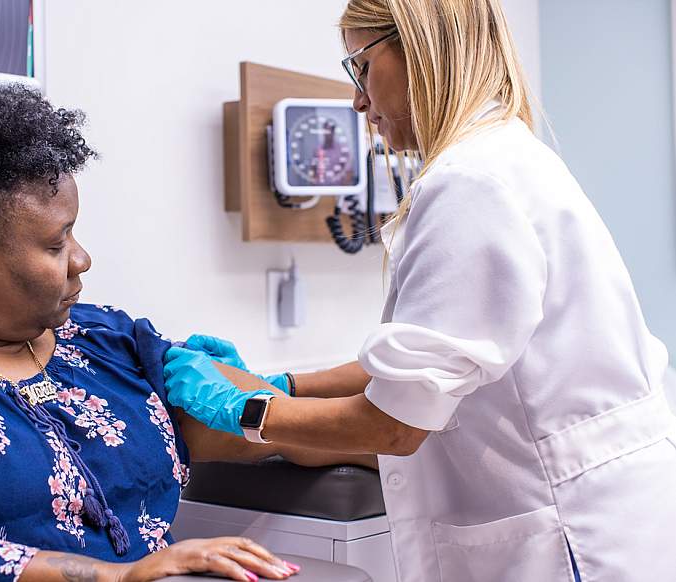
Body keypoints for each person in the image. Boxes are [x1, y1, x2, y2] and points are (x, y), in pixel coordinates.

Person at [162, 1, 676, 581]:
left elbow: (394, 425)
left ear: (418, 47)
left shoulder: (470, 184)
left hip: (568, 536)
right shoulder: (504, 156)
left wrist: (249, 409)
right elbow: (428, 360)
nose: (357, 100)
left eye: (360, 66)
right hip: (607, 509)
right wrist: (286, 384)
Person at [0, 79, 373, 581]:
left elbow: (258, 413)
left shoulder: (103, 340)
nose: (82, 259)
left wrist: (405, 429)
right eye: (57, 242)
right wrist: (111, 577)